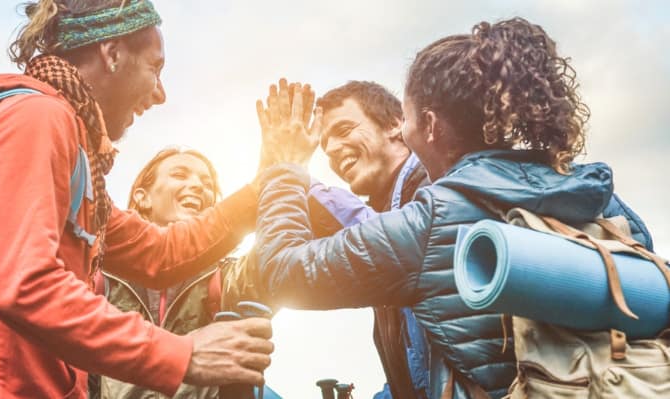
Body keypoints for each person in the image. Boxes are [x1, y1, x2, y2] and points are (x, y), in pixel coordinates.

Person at [253, 18, 654, 399]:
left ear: (426, 125)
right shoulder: (589, 189)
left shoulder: (433, 220)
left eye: (408, 119)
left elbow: (283, 273)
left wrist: (284, 168)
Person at [0, 1, 274, 397]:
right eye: (155, 68)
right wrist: (182, 355)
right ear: (112, 54)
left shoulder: (76, 156)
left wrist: (267, 184)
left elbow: (160, 253)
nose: (161, 94)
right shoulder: (36, 118)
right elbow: (23, 284)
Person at [98, 147, 275, 399]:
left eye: (207, 183)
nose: (197, 186)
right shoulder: (99, 278)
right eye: (180, 175)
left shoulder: (227, 277)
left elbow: (278, 258)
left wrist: (276, 179)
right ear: (142, 197)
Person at [316, 81, 430, 399]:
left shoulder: (433, 188)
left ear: (395, 124)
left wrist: (297, 183)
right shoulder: (388, 206)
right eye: (325, 145)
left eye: (344, 129)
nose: (333, 150)